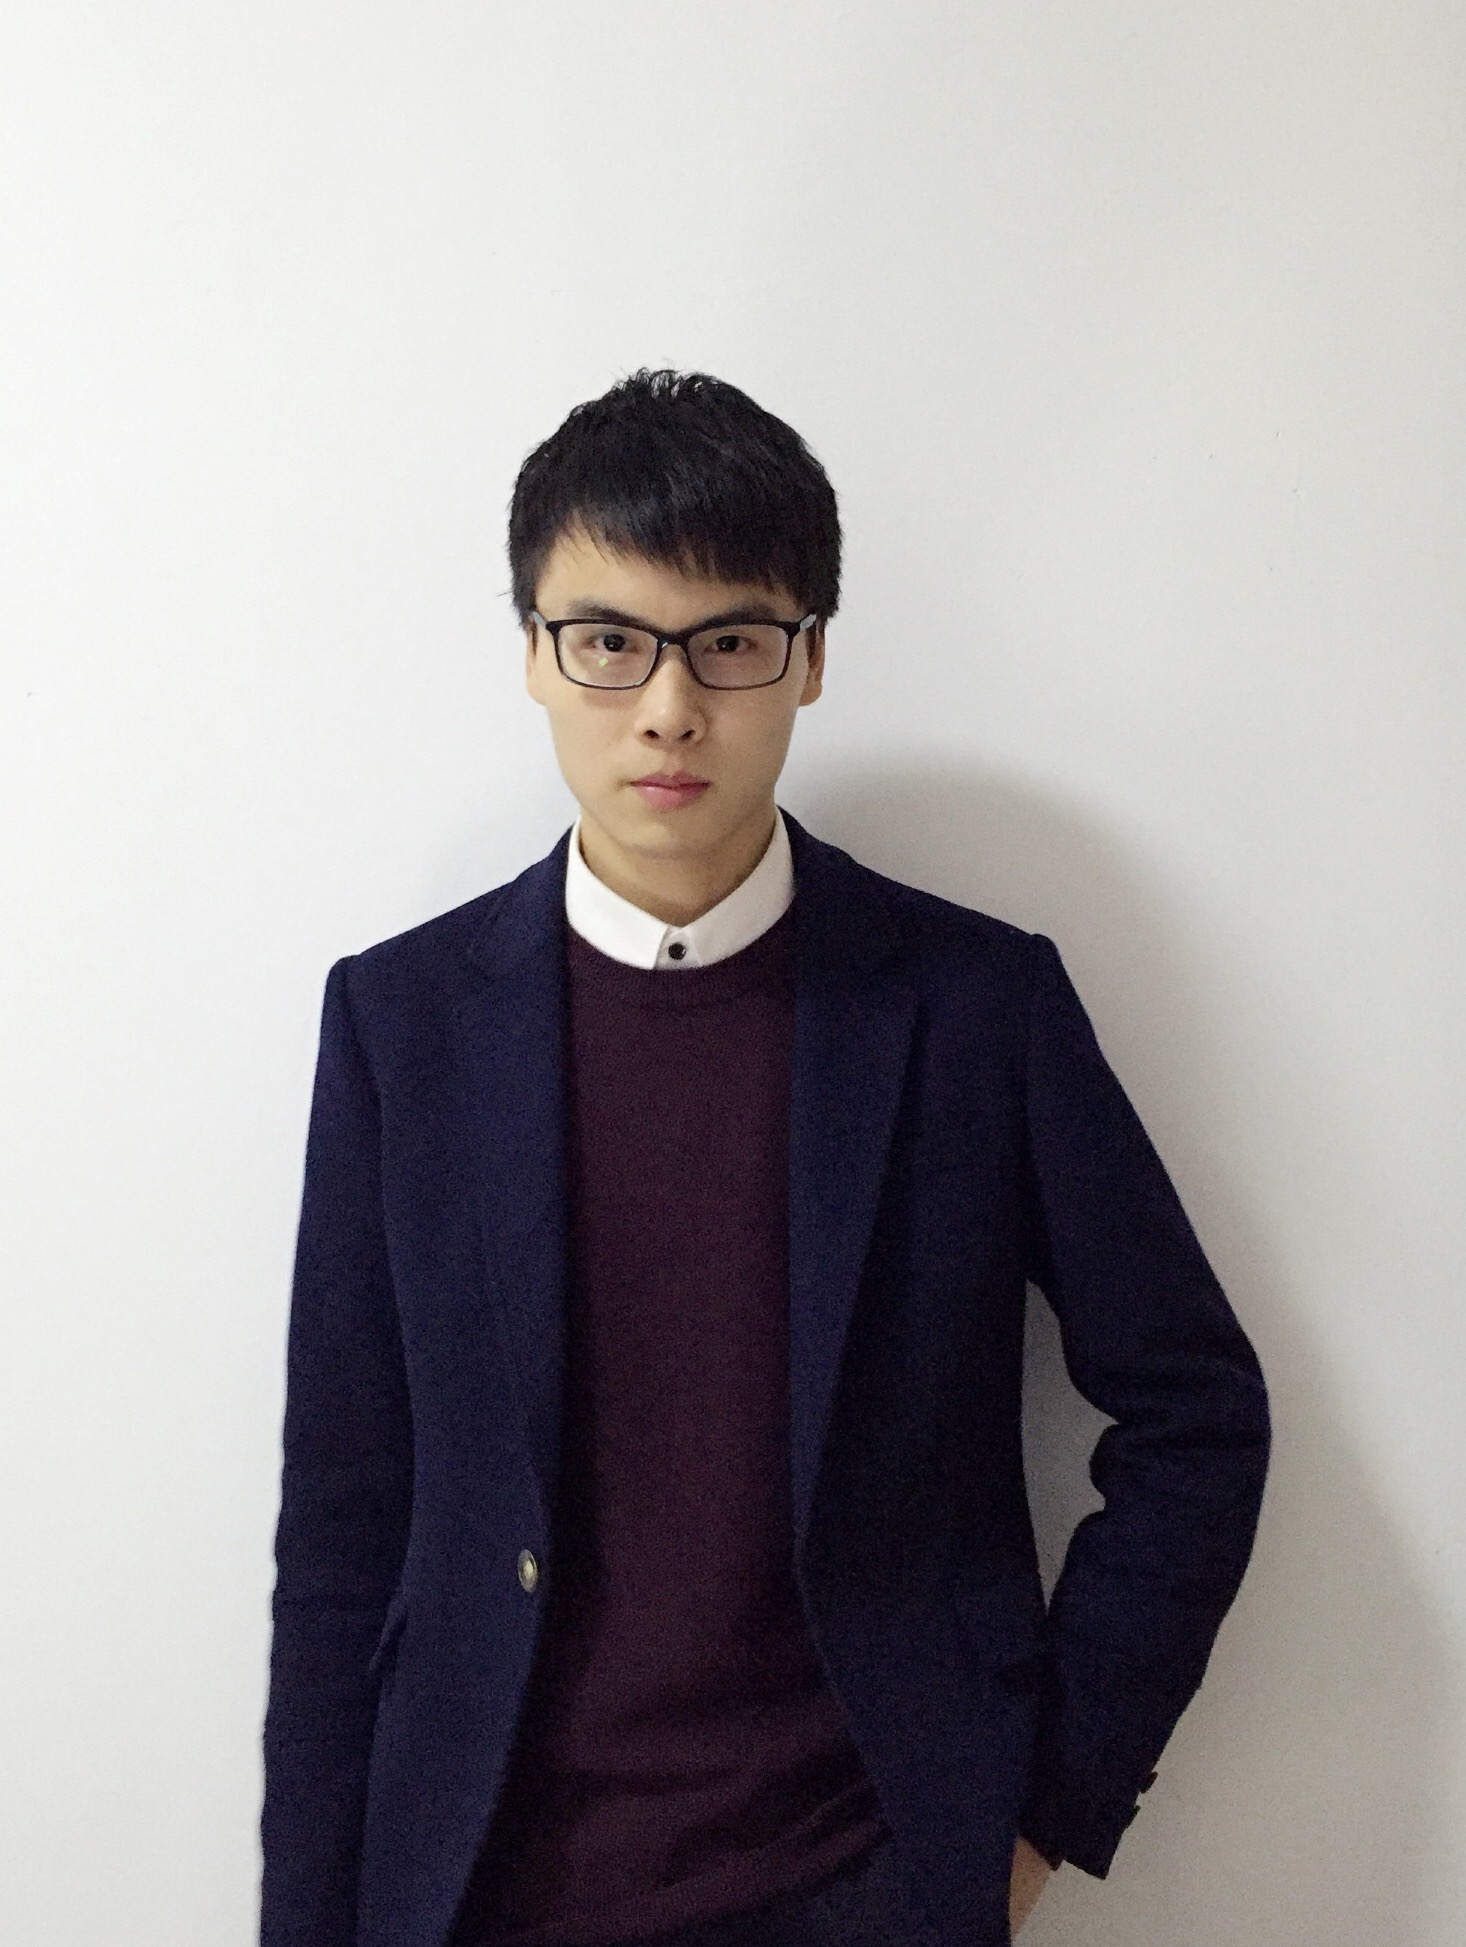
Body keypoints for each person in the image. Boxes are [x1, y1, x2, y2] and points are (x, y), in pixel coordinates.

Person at [259, 369, 1271, 1947]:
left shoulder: (970, 1008)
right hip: (477, 1885)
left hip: (857, 1882)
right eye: (607, 642)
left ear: (809, 661)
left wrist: (1040, 1814)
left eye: (728, 642)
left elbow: (1194, 1416)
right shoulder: (404, 1025)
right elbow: (344, 1516)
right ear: (530, 653)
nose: (667, 708)